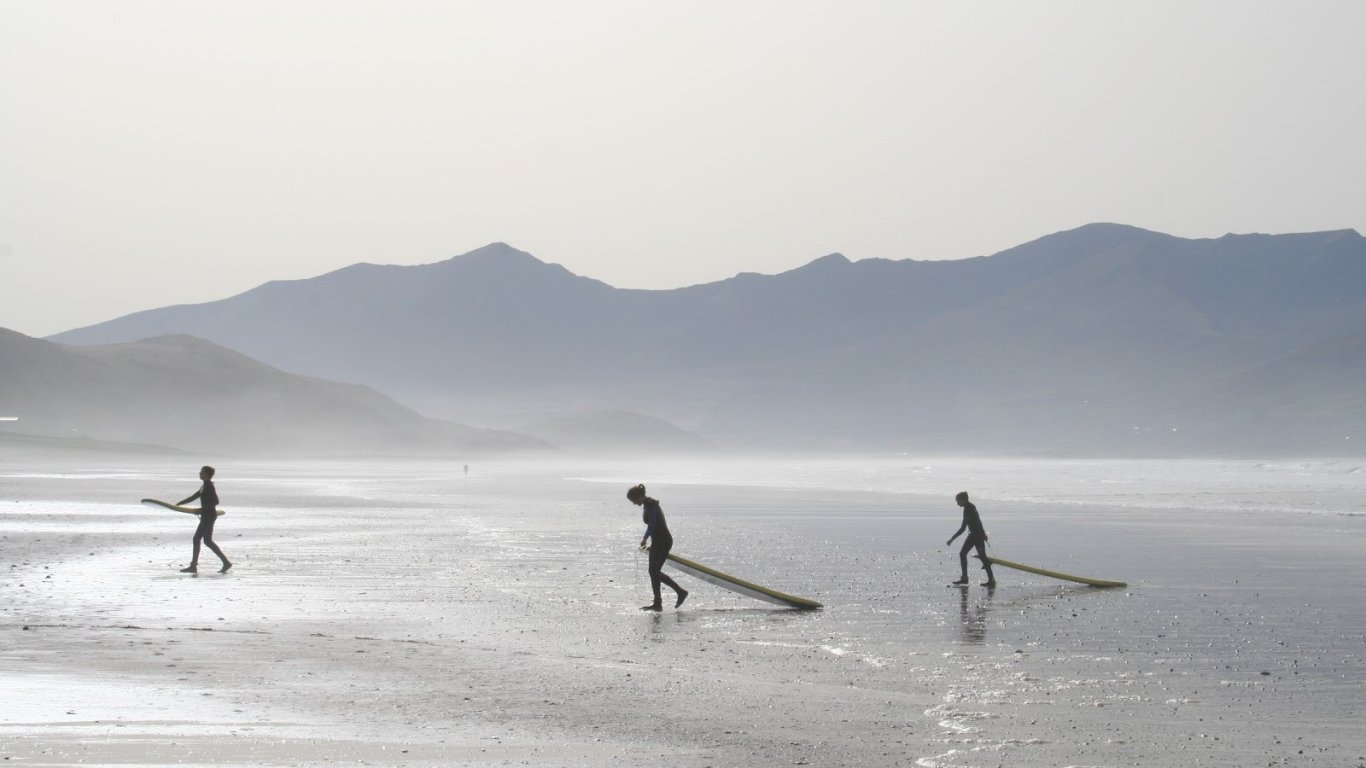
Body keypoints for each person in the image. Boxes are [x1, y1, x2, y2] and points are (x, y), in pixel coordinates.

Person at [627, 484, 688, 611]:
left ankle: (680, 592)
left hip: (664, 541)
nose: (634, 503)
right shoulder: (647, 505)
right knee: (652, 571)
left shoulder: (651, 505)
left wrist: (645, 538)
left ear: (638, 496)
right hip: (657, 542)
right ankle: (657, 603)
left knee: (654, 571)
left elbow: (653, 524)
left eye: (633, 500)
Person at [179, 465, 231, 574]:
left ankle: (193, 566)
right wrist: (179, 504)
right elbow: (194, 496)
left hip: (208, 516)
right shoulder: (204, 486)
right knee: (207, 541)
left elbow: (215, 501)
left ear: (207, 475)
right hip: (207, 515)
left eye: (201, 472)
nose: (199, 473)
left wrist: (202, 509)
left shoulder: (209, 486)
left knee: (197, 538)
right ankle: (226, 562)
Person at [947, 491, 995, 587]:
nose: (957, 503)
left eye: (958, 501)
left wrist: (952, 539)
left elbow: (963, 528)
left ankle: (989, 580)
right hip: (975, 534)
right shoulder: (969, 507)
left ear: (964, 500)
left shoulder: (969, 509)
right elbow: (978, 521)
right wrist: (983, 532)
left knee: (979, 556)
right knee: (970, 555)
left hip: (976, 536)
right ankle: (967, 578)